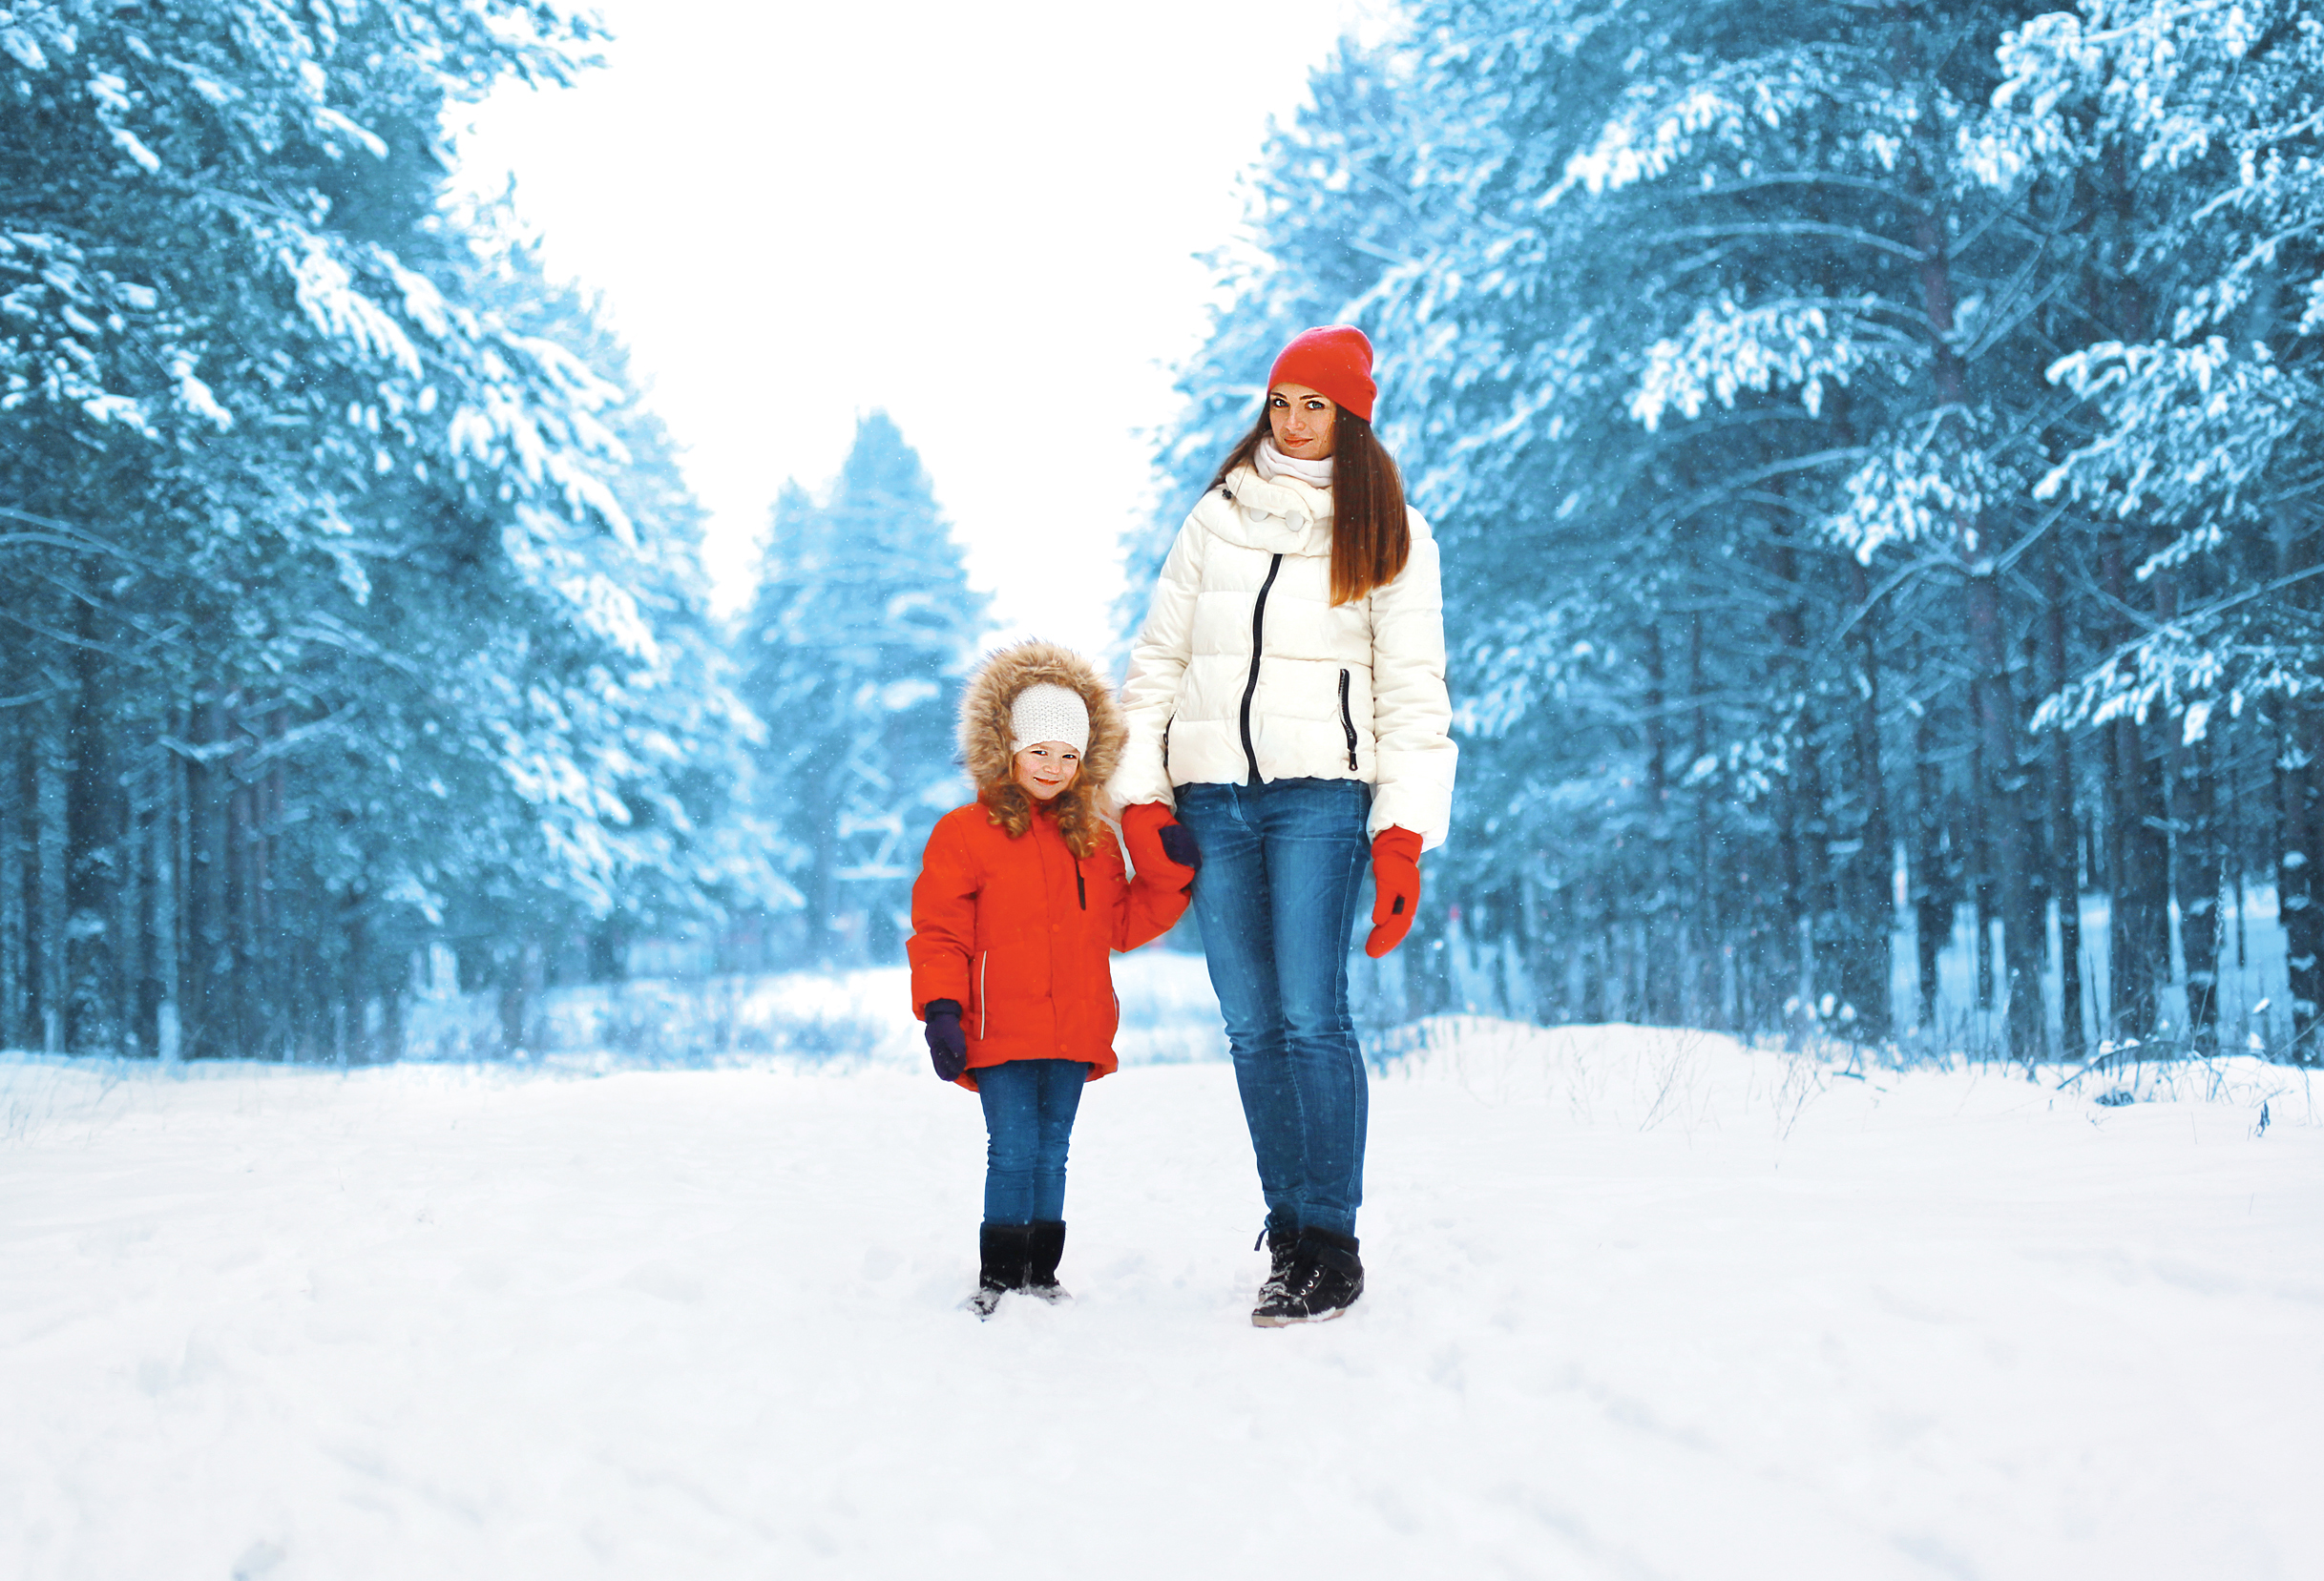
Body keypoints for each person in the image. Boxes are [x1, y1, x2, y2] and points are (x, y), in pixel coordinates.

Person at [1109, 324, 1455, 1327]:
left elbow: (1412, 696)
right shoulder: (1211, 519)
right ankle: (1287, 1233)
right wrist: (1140, 797)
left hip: (1321, 798)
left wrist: (1399, 836)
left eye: (1316, 406)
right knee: (1251, 1025)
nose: (1294, 422)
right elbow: (1156, 665)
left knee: (1312, 1014)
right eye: (1281, 402)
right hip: (1213, 796)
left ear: (1350, 420)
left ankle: (1332, 1242)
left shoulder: (1389, 533)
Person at [908, 641, 1193, 1318]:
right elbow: (939, 931)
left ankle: (1041, 1271)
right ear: (1007, 748)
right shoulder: (964, 834)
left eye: (1068, 755)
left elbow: (1122, 924)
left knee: (1053, 1151)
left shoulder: (1093, 841)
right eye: (1039, 751)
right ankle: (1000, 1275)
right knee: (1012, 1149)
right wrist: (941, 1009)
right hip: (999, 1026)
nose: (1052, 767)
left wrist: (1168, 873)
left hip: (1073, 1027)